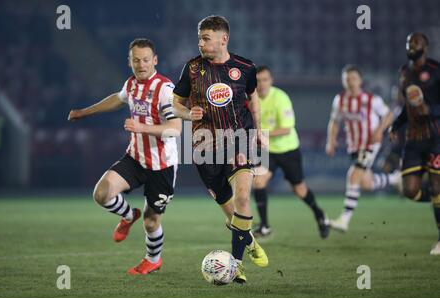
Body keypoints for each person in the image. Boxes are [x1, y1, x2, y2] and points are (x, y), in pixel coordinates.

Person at [68, 38, 182, 274]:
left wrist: (143, 128)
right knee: (101, 194)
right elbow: (118, 99)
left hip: (162, 166)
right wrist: (84, 112)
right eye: (136, 60)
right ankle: (129, 215)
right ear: (130, 62)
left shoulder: (165, 90)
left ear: (155, 61)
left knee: (151, 222)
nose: (141, 65)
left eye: (146, 60)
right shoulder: (131, 84)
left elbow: (175, 128)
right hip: (135, 158)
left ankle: (153, 259)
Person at [172, 15, 268, 283]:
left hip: (239, 139)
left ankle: (234, 264)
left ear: (223, 39)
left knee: (243, 200)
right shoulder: (192, 68)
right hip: (205, 146)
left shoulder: (245, 67)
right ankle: (250, 242)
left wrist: (258, 130)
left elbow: (253, 98)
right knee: (232, 216)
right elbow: (175, 103)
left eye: (205, 38)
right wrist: (187, 113)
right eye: (199, 38)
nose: (200, 43)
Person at [252, 66, 329, 239]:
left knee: (299, 190)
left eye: (265, 79)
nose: (262, 84)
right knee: (259, 181)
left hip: (288, 150)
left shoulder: (280, 98)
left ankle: (319, 214)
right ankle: (264, 226)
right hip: (268, 150)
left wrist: (261, 134)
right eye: (258, 80)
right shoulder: (252, 98)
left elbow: (286, 129)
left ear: (271, 80)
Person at [326, 65, 400, 232]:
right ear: (343, 81)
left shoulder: (371, 99)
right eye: (347, 79)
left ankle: (344, 220)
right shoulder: (340, 100)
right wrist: (330, 141)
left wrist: (380, 130)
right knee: (366, 183)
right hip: (354, 146)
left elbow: (389, 114)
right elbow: (334, 121)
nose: (351, 82)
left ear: (360, 80)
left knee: (353, 176)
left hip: (370, 144)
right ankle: (395, 178)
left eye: (353, 78)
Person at [389, 32, 440, 255]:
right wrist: (396, 125)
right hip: (412, 139)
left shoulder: (436, 69)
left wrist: (432, 110)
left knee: (437, 186)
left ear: (425, 46)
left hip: (436, 137)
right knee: (410, 190)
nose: (412, 46)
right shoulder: (404, 72)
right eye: (409, 42)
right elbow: (407, 106)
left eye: (416, 43)